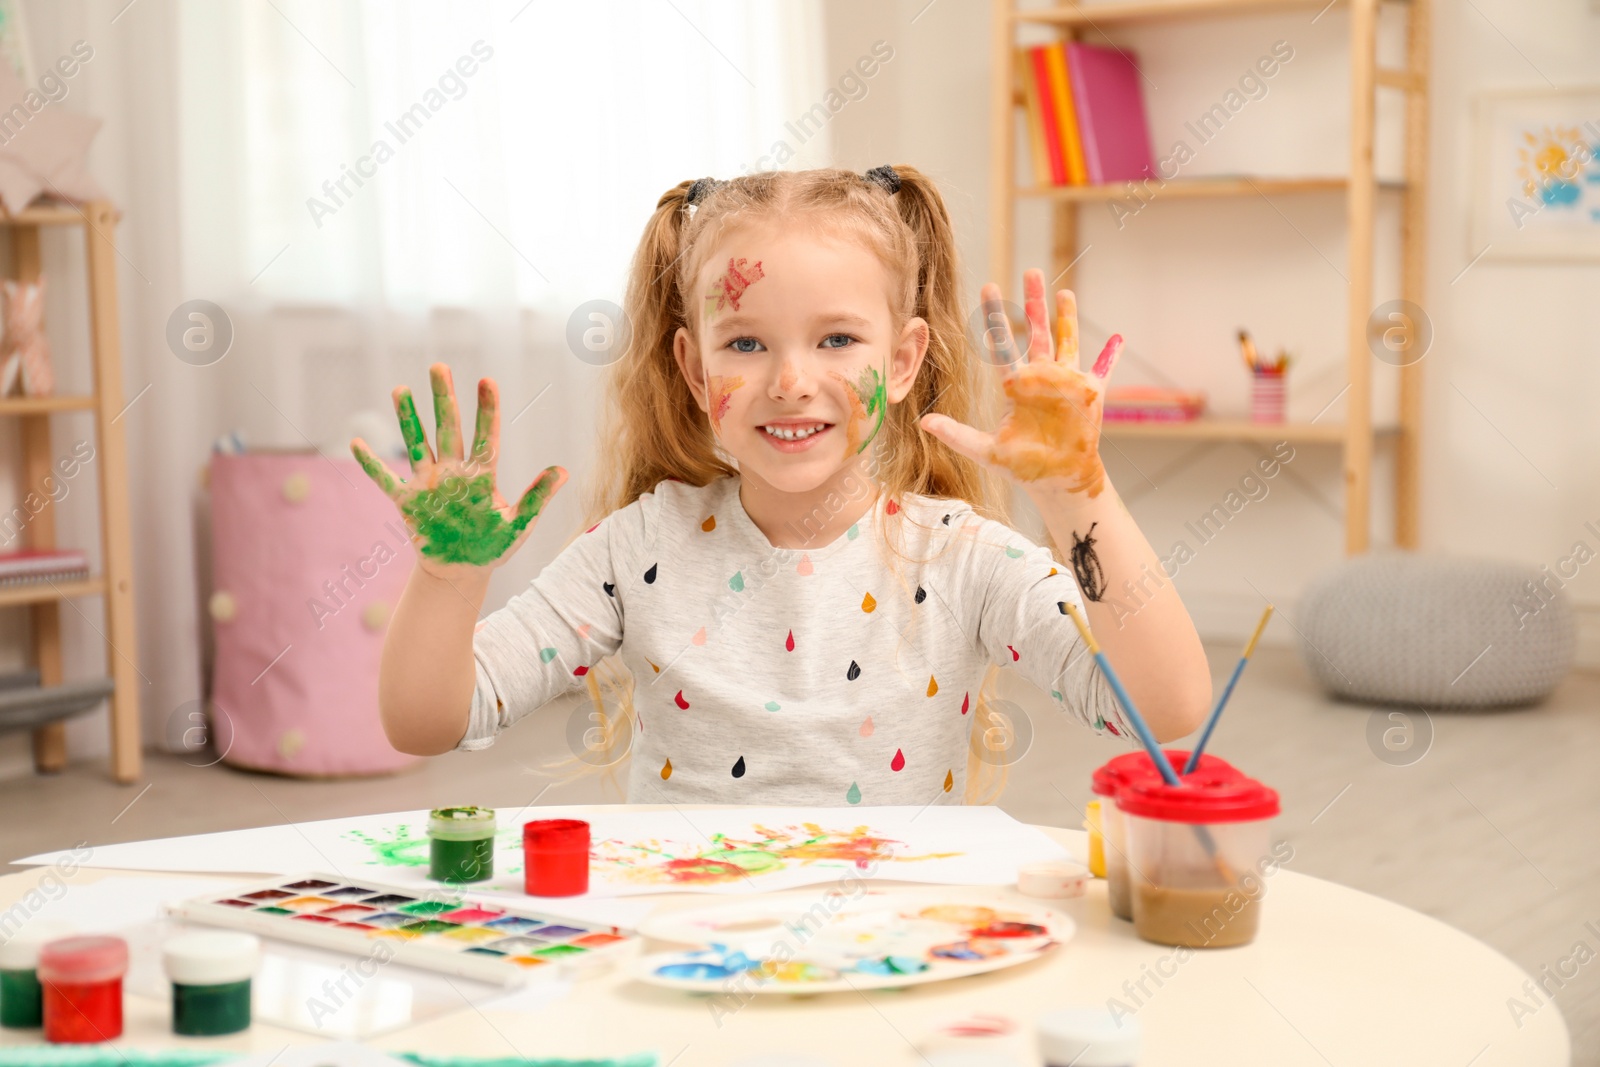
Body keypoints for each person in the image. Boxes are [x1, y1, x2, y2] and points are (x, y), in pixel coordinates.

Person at [350, 164, 1210, 806]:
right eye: (747, 344)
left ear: (904, 360)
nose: (791, 381)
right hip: (689, 947)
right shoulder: (639, 548)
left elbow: (1164, 706)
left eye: (837, 340)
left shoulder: (958, 558)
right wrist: (447, 581)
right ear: (694, 368)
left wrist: (1078, 496)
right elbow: (428, 721)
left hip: (899, 949)